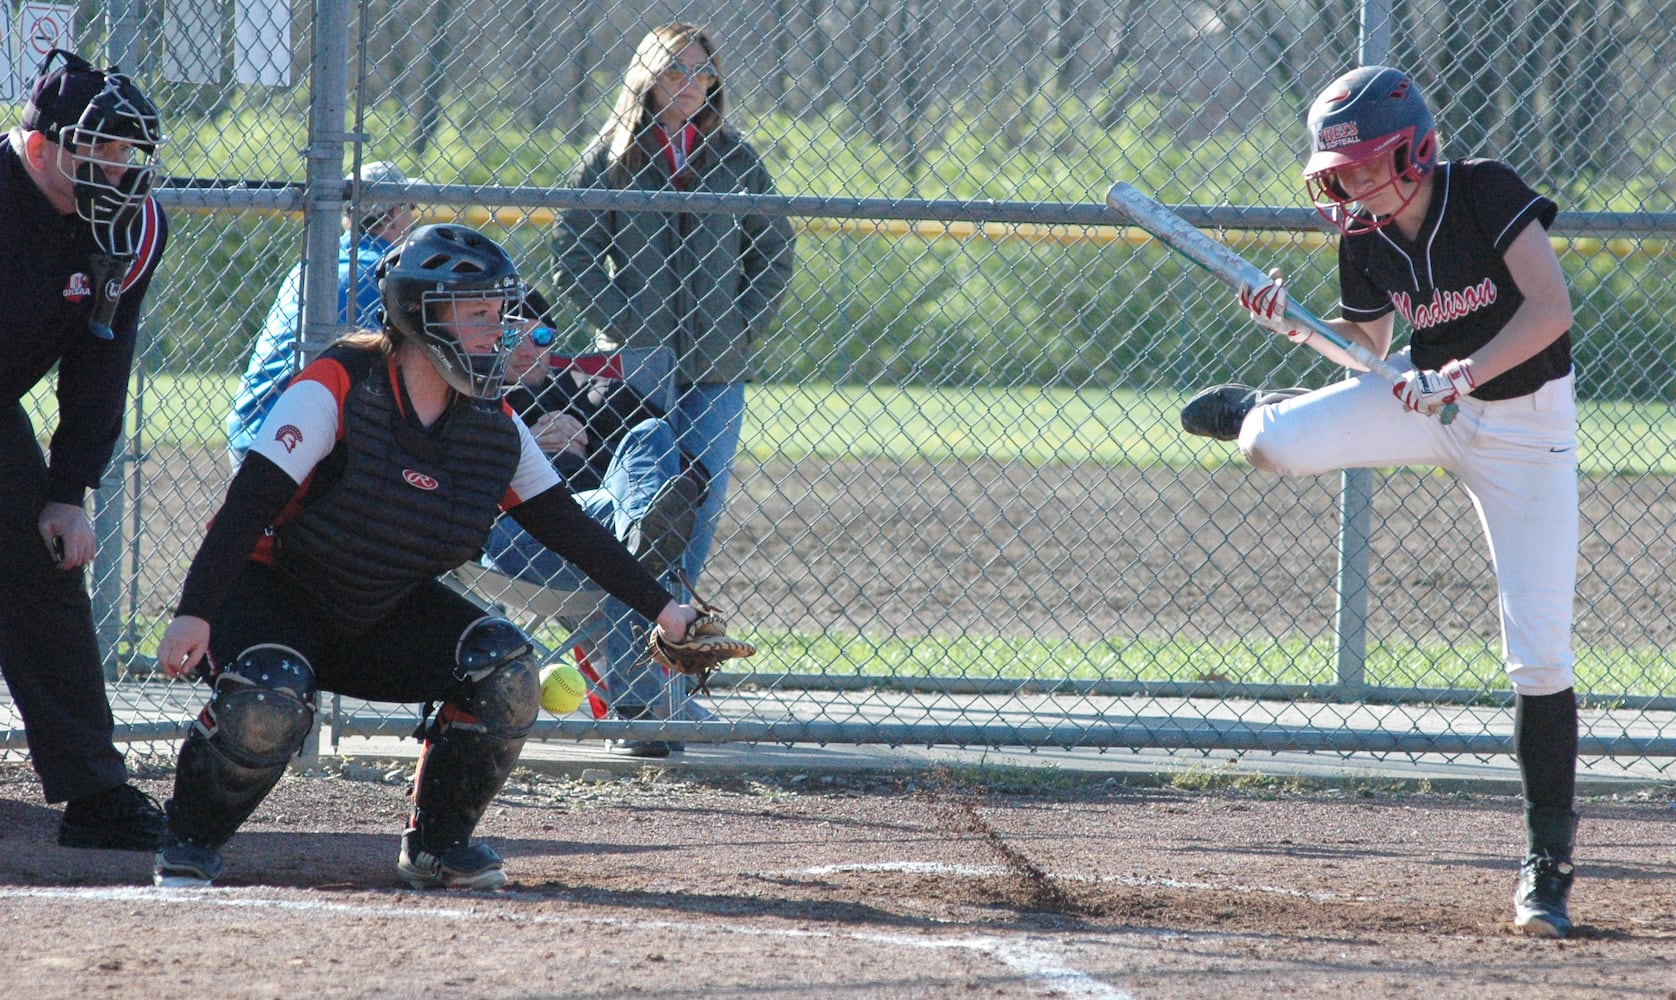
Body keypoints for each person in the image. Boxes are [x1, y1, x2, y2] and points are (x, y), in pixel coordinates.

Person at [150, 224, 701, 889]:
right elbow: (247, 505)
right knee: (269, 691)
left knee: (504, 666)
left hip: (377, 612)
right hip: (270, 595)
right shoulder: (337, 386)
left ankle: (438, 846)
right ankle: (187, 844)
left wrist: (667, 611)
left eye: (501, 313)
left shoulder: (493, 423)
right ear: (420, 314)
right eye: (477, 313)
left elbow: (569, 528)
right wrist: (194, 613)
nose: (498, 330)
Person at [1179, 66, 1580, 938]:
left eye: (1368, 165)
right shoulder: (1361, 237)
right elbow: (1363, 347)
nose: (1354, 185)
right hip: (1420, 400)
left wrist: (1465, 374)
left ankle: (1546, 867)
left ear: (1415, 148)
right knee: (1272, 445)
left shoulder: (1483, 192)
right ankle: (1255, 406)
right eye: (1341, 171)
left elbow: (1551, 310)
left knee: (1540, 656)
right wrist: (1289, 325)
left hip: (1524, 430)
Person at [554, 24, 793, 728]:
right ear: (648, 78)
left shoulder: (736, 158)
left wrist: (741, 325)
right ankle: (630, 683)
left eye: (703, 72)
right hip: (638, 366)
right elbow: (572, 252)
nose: (692, 85)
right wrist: (629, 324)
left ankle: (668, 683)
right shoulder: (612, 156)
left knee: (697, 520)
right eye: (676, 71)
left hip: (716, 367)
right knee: (642, 520)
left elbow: (775, 249)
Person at [0, 49, 170, 851]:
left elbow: (102, 360)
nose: (115, 171)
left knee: (42, 569)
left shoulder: (131, 225)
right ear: (37, 149)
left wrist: (70, 489)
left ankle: (96, 794)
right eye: (92, 153)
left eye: (125, 153)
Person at [480, 317, 708, 757]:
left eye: (542, 335)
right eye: (512, 335)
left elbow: (690, 472)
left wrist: (592, 448)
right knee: (634, 543)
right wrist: (533, 447)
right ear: (491, 340)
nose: (529, 346)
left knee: (650, 434)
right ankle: (638, 712)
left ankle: (636, 527)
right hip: (518, 536)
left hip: (598, 523)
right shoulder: (480, 394)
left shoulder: (594, 391)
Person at [225, 160, 422, 466]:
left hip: (253, 426)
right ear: (396, 214)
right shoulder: (389, 273)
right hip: (299, 438)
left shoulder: (312, 263)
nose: (413, 218)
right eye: (410, 207)